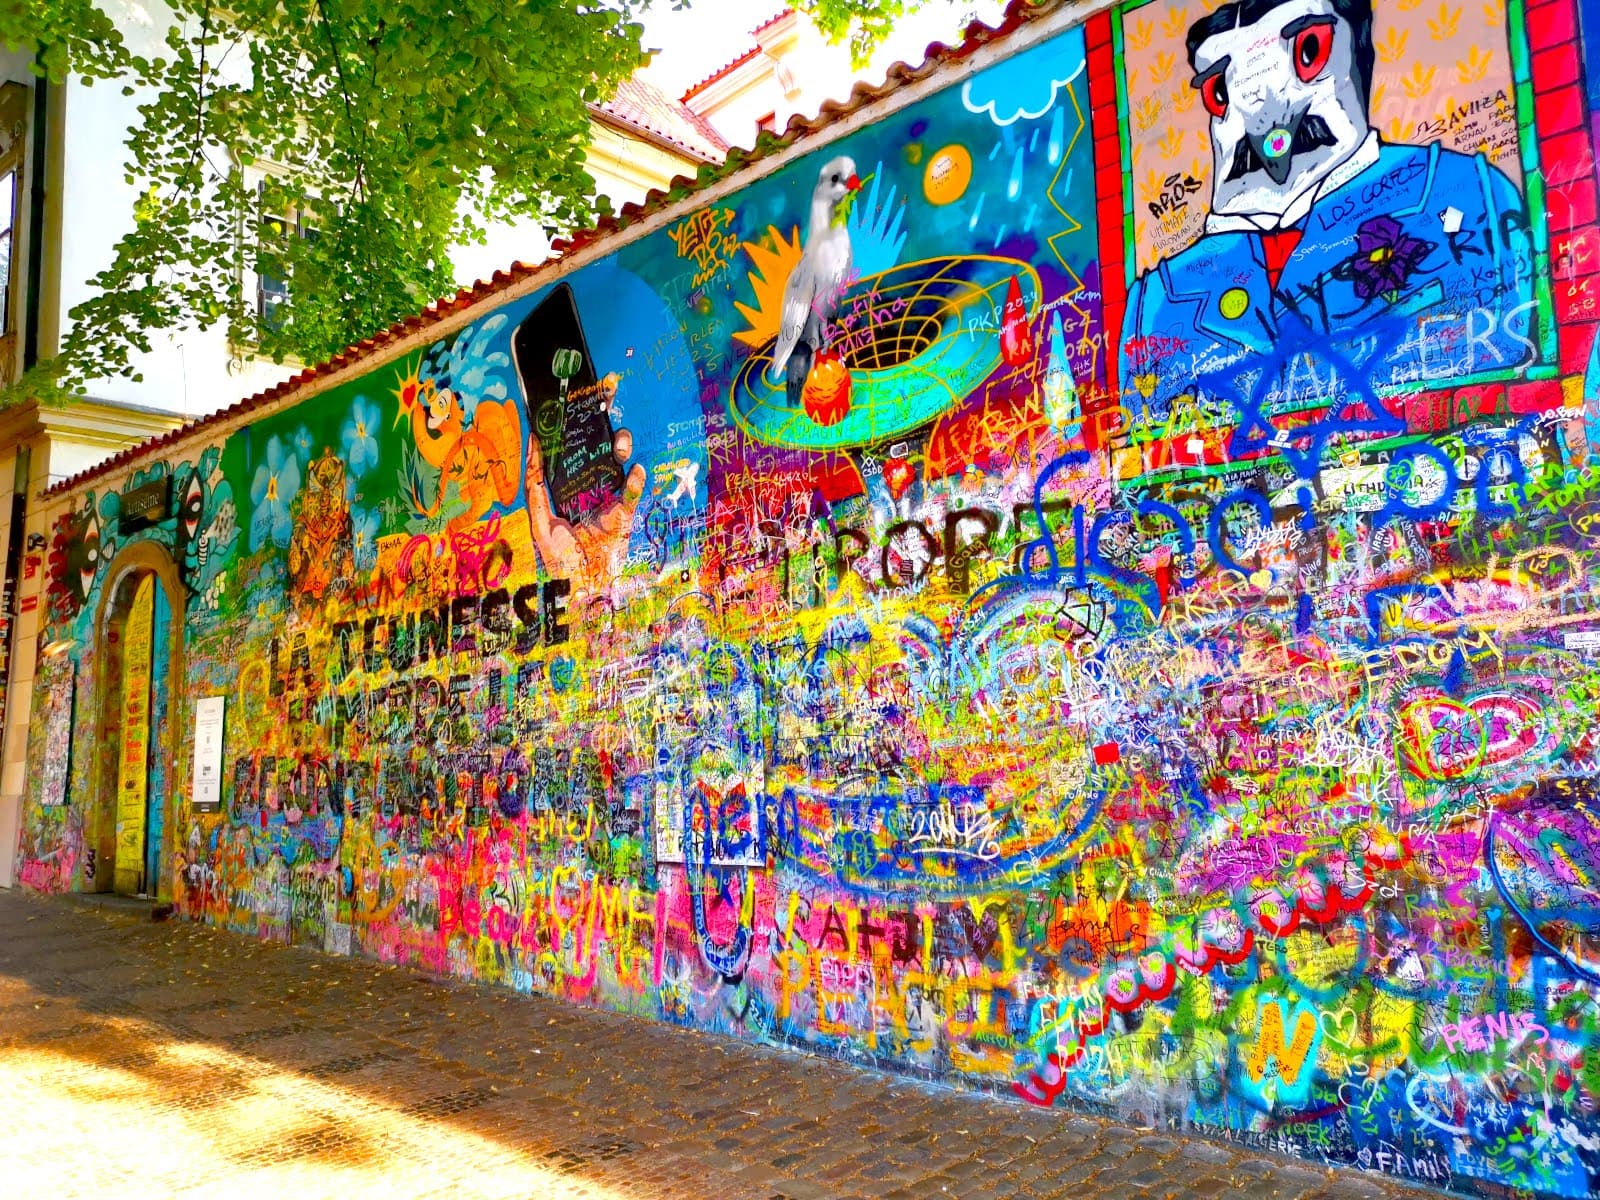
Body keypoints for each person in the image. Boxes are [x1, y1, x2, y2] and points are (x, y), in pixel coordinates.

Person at [1120, 0, 1535, 425]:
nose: (1262, 112)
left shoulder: (1463, 195)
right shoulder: (1157, 301)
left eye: (1307, 52)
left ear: (1357, 54)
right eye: (1221, 93)